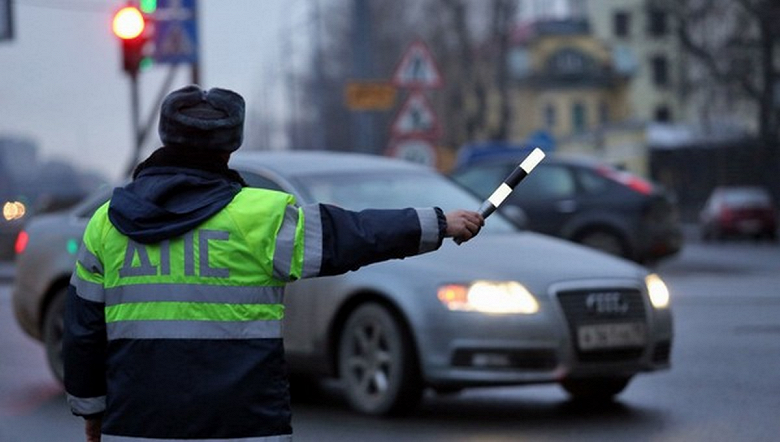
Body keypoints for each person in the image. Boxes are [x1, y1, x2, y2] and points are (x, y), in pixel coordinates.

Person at [63, 85, 483, 442]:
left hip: (136, 427)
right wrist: (437, 222)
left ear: (165, 136)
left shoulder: (106, 225)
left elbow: (83, 334)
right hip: (245, 426)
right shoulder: (262, 218)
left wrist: (92, 411)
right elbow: (351, 235)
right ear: (231, 143)